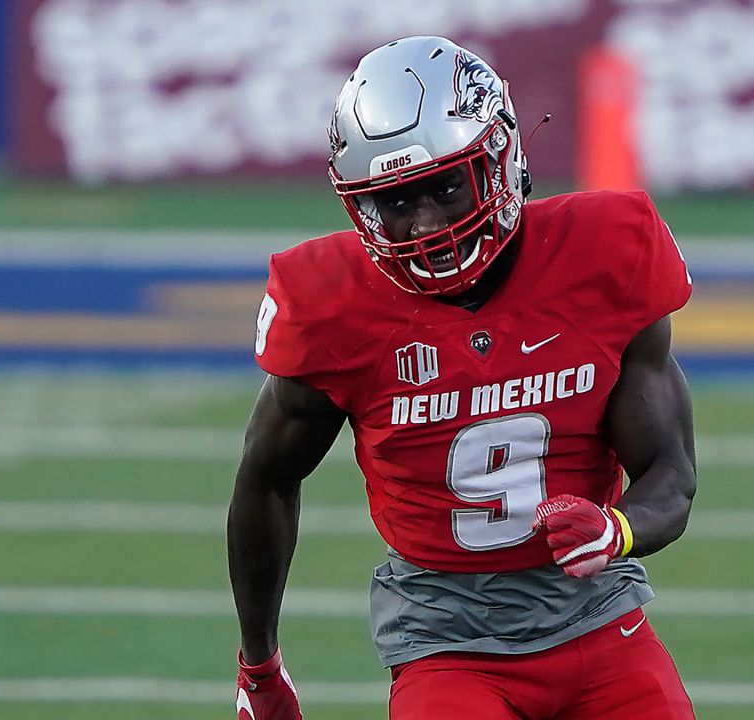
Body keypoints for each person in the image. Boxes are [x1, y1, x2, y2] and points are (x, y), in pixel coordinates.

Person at [228, 35, 697, 720]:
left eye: (446, 187)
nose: (425, 226)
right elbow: (266, 476)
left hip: (598, 620)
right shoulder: (333, 304)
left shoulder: (603, 254)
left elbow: (672, 473)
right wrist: (260, 667)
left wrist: (615, 529)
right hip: (449, 643)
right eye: (395, 202)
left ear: (500, 158)